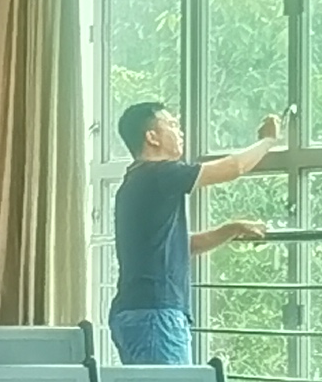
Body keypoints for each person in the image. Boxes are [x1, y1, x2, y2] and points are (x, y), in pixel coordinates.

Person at [103, 103, 280, 366]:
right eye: (172, 125)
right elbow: (234, 167)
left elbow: (179, 246)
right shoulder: (158, 174)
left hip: (139, 313)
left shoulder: (137, 181)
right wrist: (268, 141)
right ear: (152, 137)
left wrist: (230, 229)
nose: (180, 131)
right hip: (155, 315)